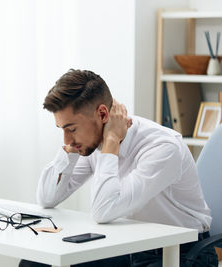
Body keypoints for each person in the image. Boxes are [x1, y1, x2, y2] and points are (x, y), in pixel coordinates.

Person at [19, 69, 218, 267]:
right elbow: (47, 198)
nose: (67, 139)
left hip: (181, 254)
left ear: (103, 114)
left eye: (71, 129)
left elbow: (103, 211)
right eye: (62, 129)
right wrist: (68, 153)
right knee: (34, 264)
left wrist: (112, 141)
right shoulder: (91, 143)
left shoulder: (162, 147)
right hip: (130, 247)